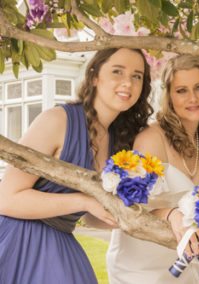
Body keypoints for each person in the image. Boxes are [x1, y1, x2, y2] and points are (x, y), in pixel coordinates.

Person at [0, 48, 153, 284]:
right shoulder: (57, 120)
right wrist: (84, 201)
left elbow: (90, 218)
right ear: (94, 76)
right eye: (117, 72)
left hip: (61, 242)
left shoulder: (119, 143)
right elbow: (6, 198)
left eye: (137, 76)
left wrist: (129, 217)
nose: (128, 83)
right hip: (16, 240)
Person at [106, 54, 199, 284]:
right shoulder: (152, 138)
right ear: (169, 97)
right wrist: (171, 214)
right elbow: (132, 206)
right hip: (140, 269)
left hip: (186, 269)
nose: (192, 98)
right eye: (181, 90)